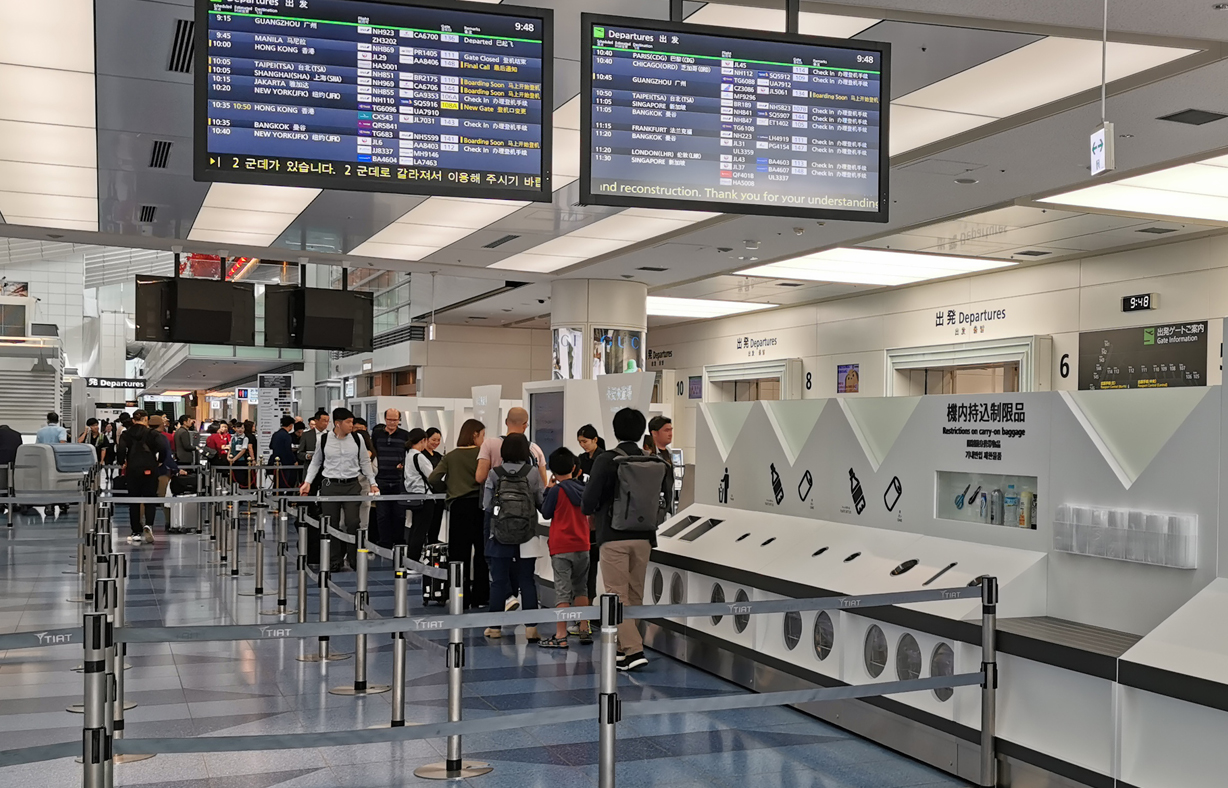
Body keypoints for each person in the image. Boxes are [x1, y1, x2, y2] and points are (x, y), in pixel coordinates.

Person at [582, 408, 673, 672]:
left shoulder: (607, 460)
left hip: (613, 535)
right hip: (645, 537)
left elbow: (588, 501)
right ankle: (622, 652)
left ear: (614, 430)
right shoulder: (654, 461)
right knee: (634, 594)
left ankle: (633, 651)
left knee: (615, 595)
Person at [299, 407, 379, 573]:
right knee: (332, 524)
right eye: (348, 422)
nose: (352, 425)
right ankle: (334, 560)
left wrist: (372, 482)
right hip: (330, 486)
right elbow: (316, 462)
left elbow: (365, 462)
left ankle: (353, 558)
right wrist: (308, 482)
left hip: (352, 485)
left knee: (353, 522)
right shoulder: (324, 439)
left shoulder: (357, 439)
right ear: (338, 423)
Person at [482, 433, 544, 641]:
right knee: (527, 580)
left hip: (499, 534)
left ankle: (495, 627)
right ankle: (531, 628)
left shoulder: (494, 473)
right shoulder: (532, 473)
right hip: (527, 534)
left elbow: (487, 506)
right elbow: (540, 502)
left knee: (499, 581)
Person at [427, 418, 487, 608]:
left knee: (458, 553)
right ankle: (481, 595)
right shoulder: (482, 454)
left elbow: (433, 477)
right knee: (481, 552)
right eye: (483, 435)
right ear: (475, 434)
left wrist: (449, 488)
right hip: (479, 505)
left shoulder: (451, 456)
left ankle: (459, 595)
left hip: (458, 506)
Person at [540, 447, 592, 648]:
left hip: (561, 546)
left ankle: (560, 635)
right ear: (574, 467)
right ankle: (584, 628)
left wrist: (547, 489)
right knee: (581, 588)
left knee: (562, 591)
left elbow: (545, 512)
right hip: (583, 545)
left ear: (552, 469)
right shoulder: (585, 490)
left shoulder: (556, 491)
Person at [116, 410, 165, 545]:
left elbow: (120, 449)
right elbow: (163, 447)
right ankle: (149, 524)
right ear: (146, 419)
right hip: (150, 467)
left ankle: (135, 531)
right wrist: (160, 460)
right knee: (150, 498)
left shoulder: (126, 434)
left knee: (134, 500)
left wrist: (122, 462)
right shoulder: (152, 433)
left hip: (133, 469)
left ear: (133, 420)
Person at [475, 407, 548, 487]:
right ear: (525, 425)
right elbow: (542, 483)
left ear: (506, 422)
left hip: (497, 497)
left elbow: (480, 477)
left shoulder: (489, 444)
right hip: (525, 498)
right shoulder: (535, 449)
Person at [576, 424, 606, 605]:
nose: (583, 445)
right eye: (580, 442)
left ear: (595, 440)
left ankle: (592, 598)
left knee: (593, 561)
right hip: (584, 515)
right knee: (587, 565)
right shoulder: (581, 459)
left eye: (585, 441)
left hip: (598, 516)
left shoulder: (603, 459)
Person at [372, 408, 410, 548]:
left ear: (399, 420)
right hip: (381, 479)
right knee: (382, 515)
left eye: (395, 420)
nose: (392, 422)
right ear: (385, 419)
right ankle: (384, 543)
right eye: (389, 419)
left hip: (399, 480)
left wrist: (404, 465)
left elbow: (410, 455)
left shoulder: (405, 435)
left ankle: (399, 542)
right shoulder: (377, 434)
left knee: (399, 515)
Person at [402, 427, 437, 560]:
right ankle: (414, 559)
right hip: (425, 497)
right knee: (421, 530)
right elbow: (432, 476)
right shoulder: (419, 456)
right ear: (423, 440)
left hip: (414, 496)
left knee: (415, 528)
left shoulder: (408, 455)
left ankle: (411, 557)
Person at [423, 427, 446, 543]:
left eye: (438, 440)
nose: (436, 443)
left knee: (436, 521)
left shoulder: (439, 456)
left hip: (439, 493)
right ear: (426, 439)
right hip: (426, 493)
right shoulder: (421, 455)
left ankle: (433, 542)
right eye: (433, 440)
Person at [269, 415, 298, 491]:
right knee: (284, 482)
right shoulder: (287, 436)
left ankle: (275, 497)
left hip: (275, 461)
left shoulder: (275, 434)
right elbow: (288, 450)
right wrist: (294, 460)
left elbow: (271, 446)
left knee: (277, 482)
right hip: (285, 462)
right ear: (290, 425)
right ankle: (281, 500)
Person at [228, 420, 256, 488]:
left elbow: (243, 450)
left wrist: (234, 458)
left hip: (241, 460)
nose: (240, 430)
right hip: (233, 461)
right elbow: (230, 448)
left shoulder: (245, 438)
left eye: (242, 428)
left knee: (241, 478)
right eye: (238, 428)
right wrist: (228, 457)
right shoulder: (233, 438)